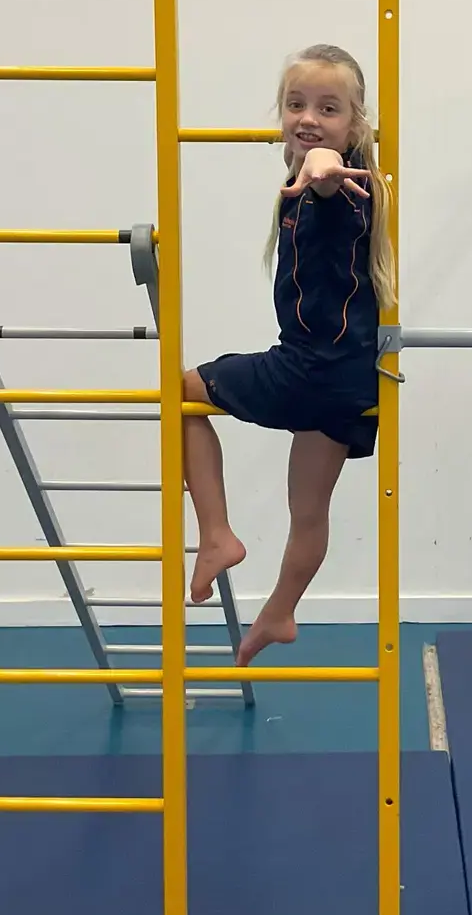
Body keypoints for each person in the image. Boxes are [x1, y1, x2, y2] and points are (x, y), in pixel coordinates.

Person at [183, 44, 397, 667]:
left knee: (180, 390)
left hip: (308, 368)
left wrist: (324, 168)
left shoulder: (338, 185)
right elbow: (322, 159)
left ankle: (217, 534)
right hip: (352, 379)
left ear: (355, 125)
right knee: (308, 512)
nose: (308, 118)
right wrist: (316, 167)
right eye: (295, 104)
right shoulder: (356, 187)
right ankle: (279, 610)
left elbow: (327, 167)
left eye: (328, 109)